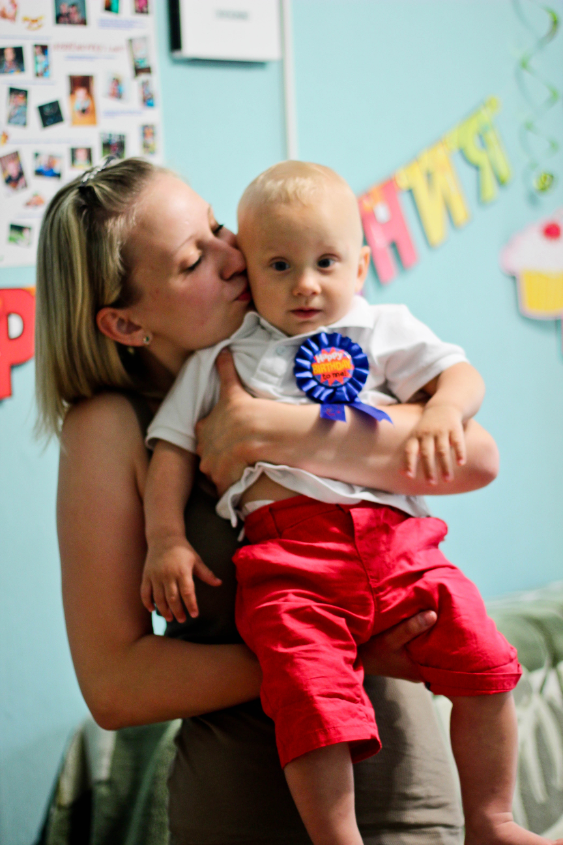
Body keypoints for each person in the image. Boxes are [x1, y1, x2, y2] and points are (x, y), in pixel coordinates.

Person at [35, 156, 500, 845]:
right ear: (126, 324)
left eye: (217, 227)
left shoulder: (325, 341)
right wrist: (329, 652)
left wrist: (267, 430)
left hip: (413, 798)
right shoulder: (111, 425)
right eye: (194, 259)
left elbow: (476, 456)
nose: (234, 256)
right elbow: (116, 686)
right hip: (248, 811)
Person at [142, 161, 553, 845]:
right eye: (279, 265)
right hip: (289, 557)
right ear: (249, 273)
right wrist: (165, 538)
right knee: (309, 692)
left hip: (399, 543)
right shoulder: (224, 357)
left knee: (486, 661)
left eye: (325, 262)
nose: (305, 283)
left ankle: (491, 820)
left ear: (360, 265)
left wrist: (444, 408)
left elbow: (460, 377)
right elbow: (172, 451)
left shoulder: (382, 326)